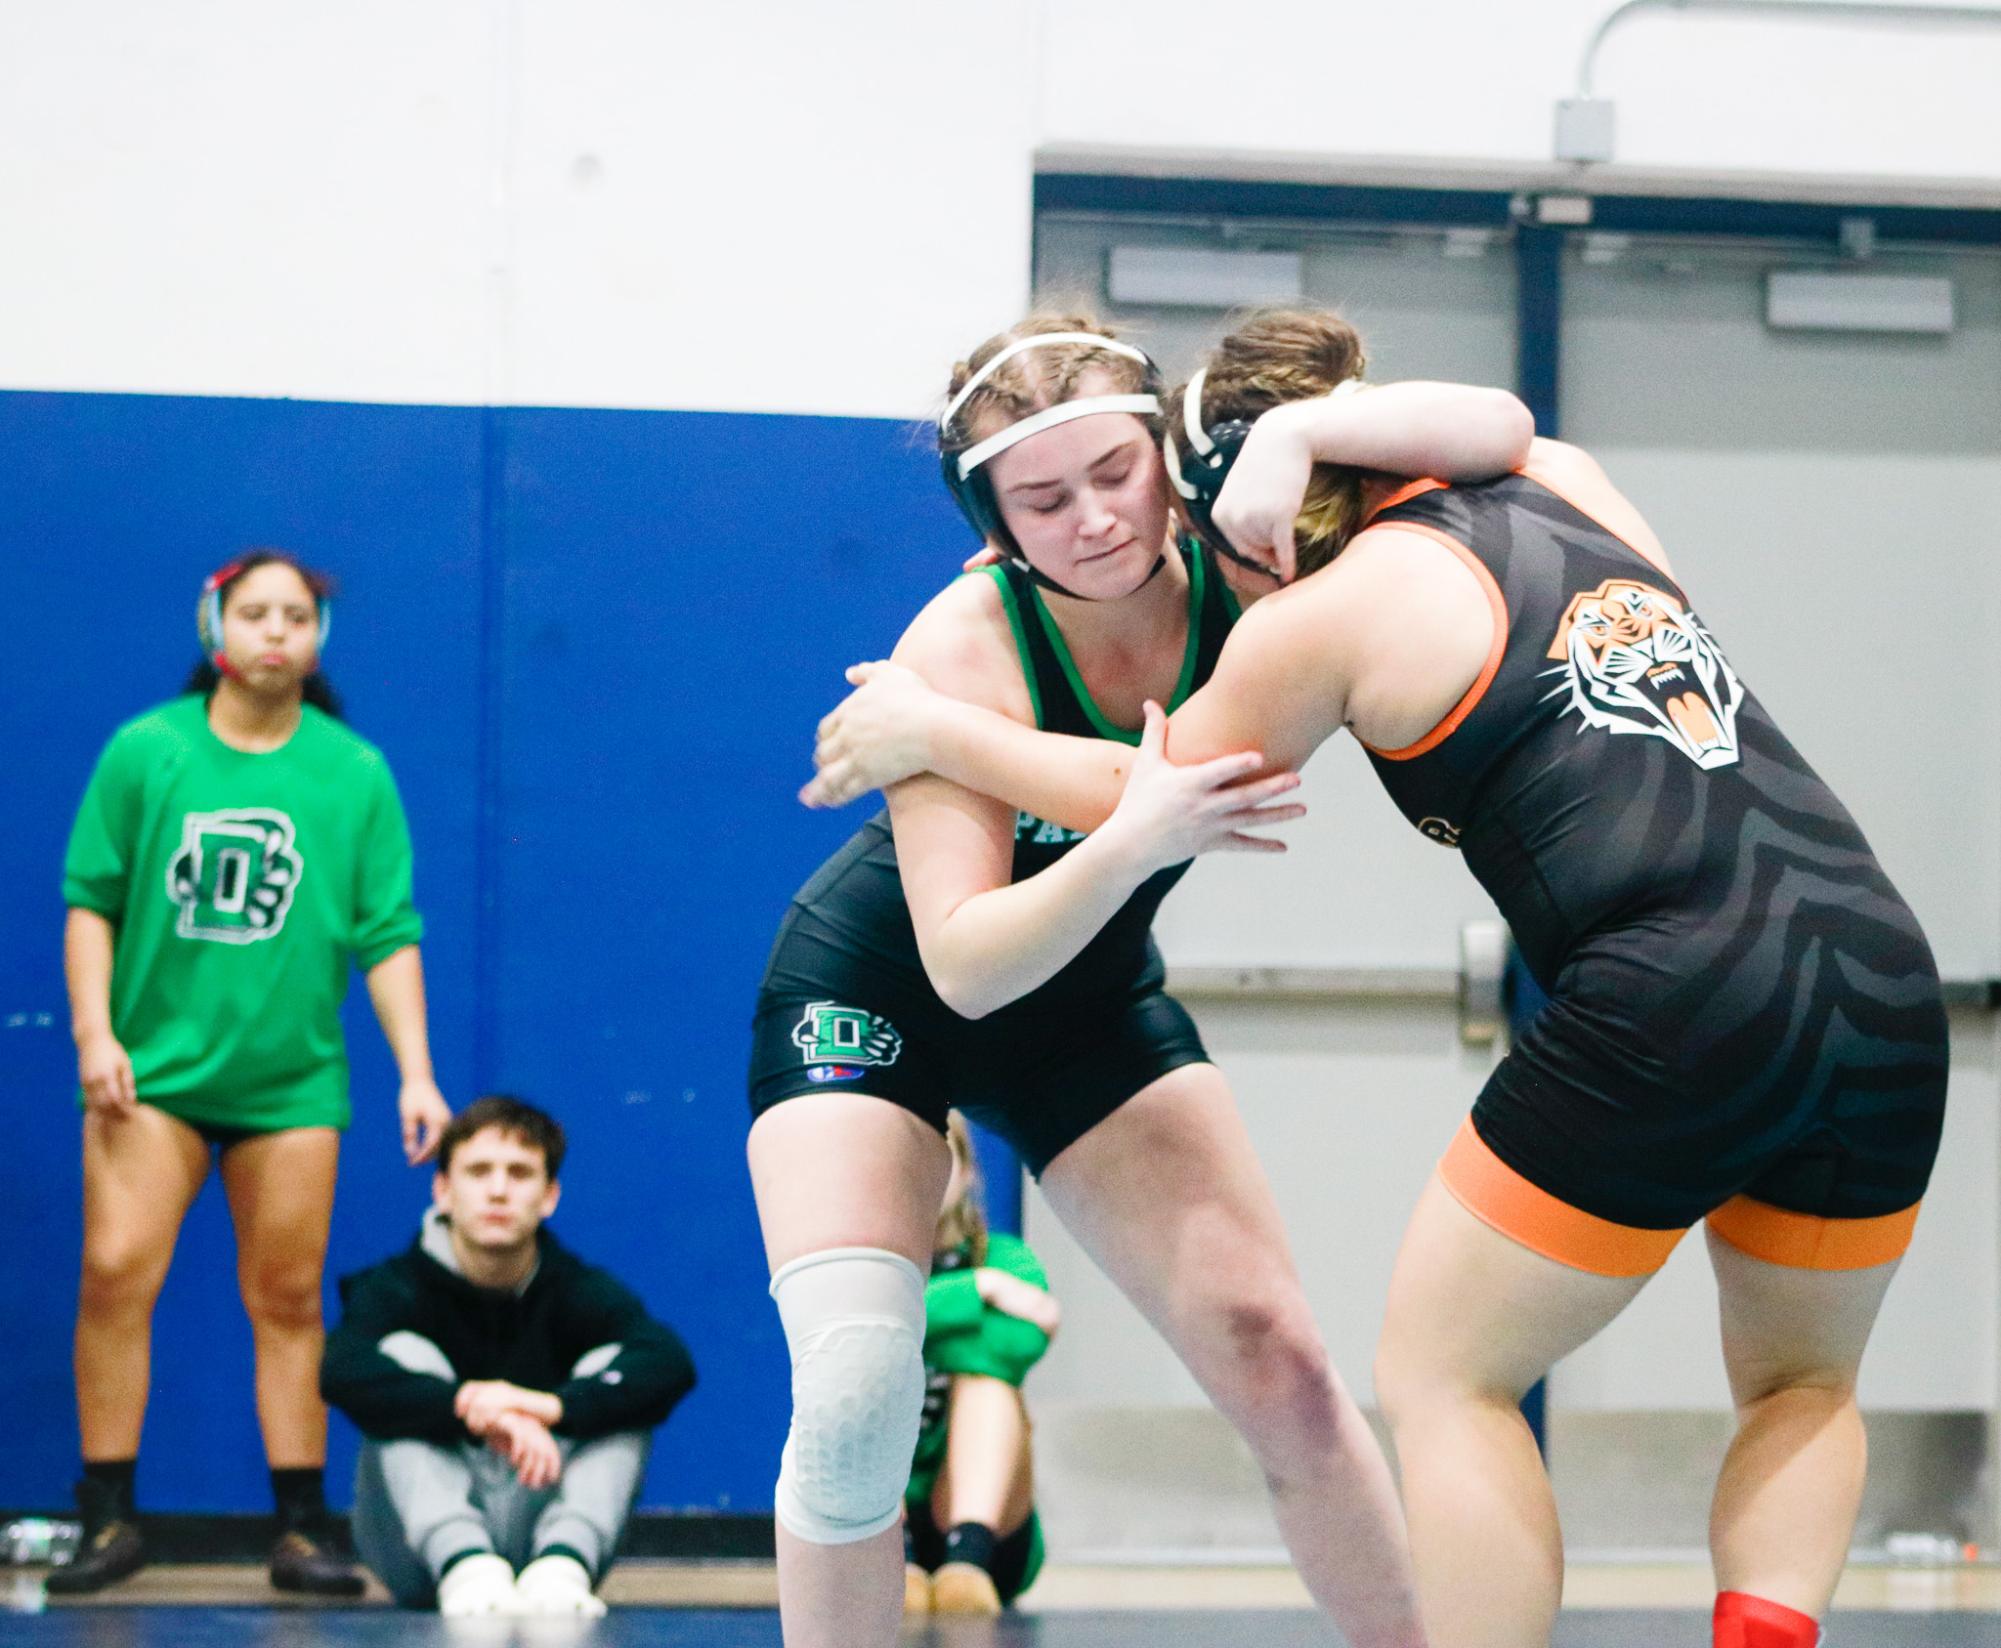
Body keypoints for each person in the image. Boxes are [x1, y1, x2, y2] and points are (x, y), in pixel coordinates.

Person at [803, 307, 1950, 1648]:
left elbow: (1160, 795)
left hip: (1673, 986)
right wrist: (1308, 425)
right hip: (1880, 971)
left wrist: (936, 729)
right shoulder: (1566, 482)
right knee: (1801, 1381)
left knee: (1444, 1379)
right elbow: (1499, 427)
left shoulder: (1320, 621)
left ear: (1236, 491)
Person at [750, 309, 1533, 1648]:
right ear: (992, 523)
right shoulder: (959, 647)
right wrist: (1119, 827)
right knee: (857, 1387)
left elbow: (1503, 437)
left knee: (1277, 1362)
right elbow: (969, 964)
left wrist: (1299, 427)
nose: (1096, 520)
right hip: (881, 993)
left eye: (1115, 473)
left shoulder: (1246, 556)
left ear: (1167, 455)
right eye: (1043, 501)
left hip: (1089, 996)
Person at [57, 551, 454, 1596]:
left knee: (286, 1297)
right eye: (256, 612)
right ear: (214, 627)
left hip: (291, 1086)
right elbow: (90, 898)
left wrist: (417, 1073)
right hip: (155, 1079)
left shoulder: (353, 770)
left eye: (297, 614)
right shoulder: (148, 751)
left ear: (318, 634)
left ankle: (300, 1524)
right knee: (115, 1273)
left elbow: (389, 931)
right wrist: (96, 1034)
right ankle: (105, 1514)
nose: (277, 630)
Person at [321, 1095, 696, 1617]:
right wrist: (470, 1403)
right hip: (418, 1556)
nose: (498, 1190)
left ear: (549, 1196)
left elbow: (669, 1362)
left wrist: (550, 1408)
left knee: (618, 1373)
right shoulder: (395, 1288)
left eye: (520, 1173)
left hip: (547, 1546)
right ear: (443, 1190)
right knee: (402, 1355)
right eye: (478, 1171)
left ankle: (563, 1562)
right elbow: (340, 1371)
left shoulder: (575, 1289)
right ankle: (464, 1562)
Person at [903, 1113, 1058, 1617]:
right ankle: (895, 1560)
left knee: (988, 1386)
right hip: (889, 1519)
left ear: (968, 1172)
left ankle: (965, 1563)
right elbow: (857, 1327)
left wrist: (919, 1324)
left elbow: (1015, 1347)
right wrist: (979, 1291)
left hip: (985, 1529)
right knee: (860, 1374)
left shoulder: (1006, 1256)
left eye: (940, 1158)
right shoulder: (873, 1267)